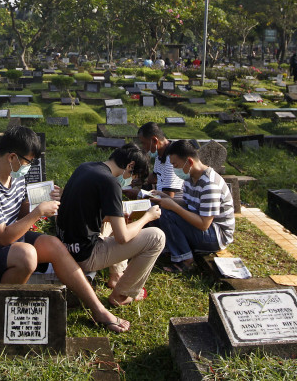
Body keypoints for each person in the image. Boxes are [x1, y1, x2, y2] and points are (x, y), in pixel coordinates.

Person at [0, 126, 130, 333]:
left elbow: (17, 211)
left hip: (6, 240)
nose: (29, 167)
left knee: (53, 245)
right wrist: (38, 212)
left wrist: (41, 201)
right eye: (28, 161)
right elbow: (3, 238)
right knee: (27, 256)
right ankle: (3, 311)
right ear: (12, 157)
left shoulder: (14, 175)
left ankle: (98, 309)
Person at [55, 144, 164, 308]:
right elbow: (122, 238)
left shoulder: (85, 168)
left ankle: (116, 276)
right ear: (130, 165)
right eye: (133, 177)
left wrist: (114, 217)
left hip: (65, 245)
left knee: (117, 220)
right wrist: (147, 217)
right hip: (85, 255)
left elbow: (83, 210)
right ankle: (122, 295)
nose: (130, 181)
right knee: (157, 237)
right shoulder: (111, 183)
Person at [155, 139, 235, 272]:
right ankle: (172, 248)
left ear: (190, 162)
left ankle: (185, 260)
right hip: (203, 227)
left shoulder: (209, 184)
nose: (174, 169)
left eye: (175, 165)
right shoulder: (190, 178)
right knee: (160, 209)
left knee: (168, 214)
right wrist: (164, 198)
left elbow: (204, 224)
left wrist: (173, 206)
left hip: (216, 236)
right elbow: (187, 204)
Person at [137, 122, 183, 198]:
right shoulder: (160, 155)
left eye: (144, 143)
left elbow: (168, 197)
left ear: (154, 141)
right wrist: (138, 180)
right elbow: (155, 177)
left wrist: (139, 194)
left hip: (172, 203)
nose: (143, 147)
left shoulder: (172, 160)